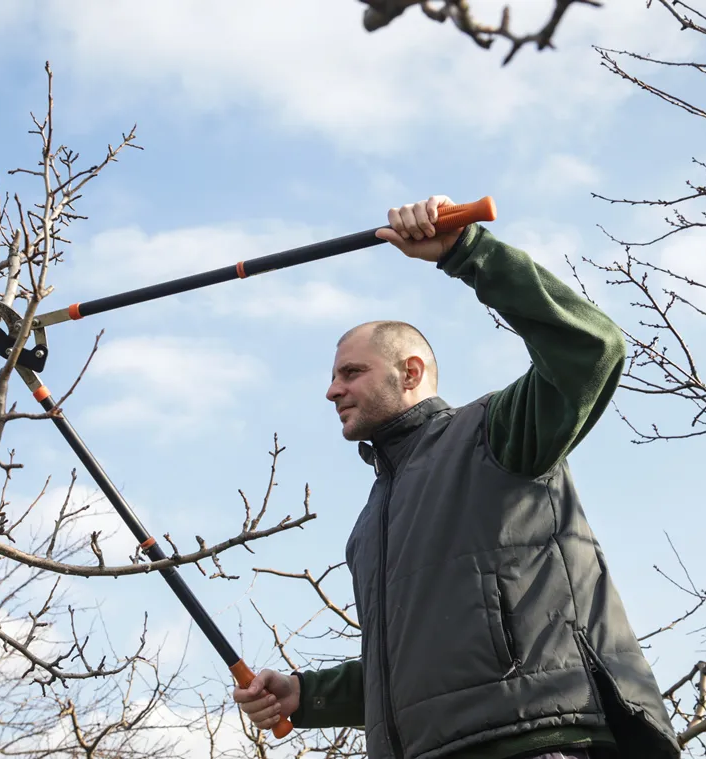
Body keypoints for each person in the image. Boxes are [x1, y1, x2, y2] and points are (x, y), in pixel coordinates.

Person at [233, 196, 681, 759]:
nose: (332, 390)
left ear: (410, 372)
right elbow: (421, 668)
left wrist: (468, 251)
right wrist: (307, 695)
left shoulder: (494, 434)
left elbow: (593, 347)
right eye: (333, 376)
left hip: (536, 741)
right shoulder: (369, 526)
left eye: (351, 372)